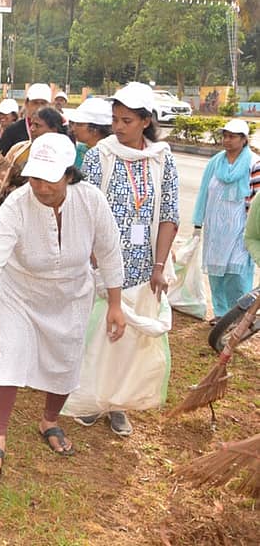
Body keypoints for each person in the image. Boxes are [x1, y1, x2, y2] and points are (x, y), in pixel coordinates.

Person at [0, 133, 126, 480]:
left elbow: (110, 252)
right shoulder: (17, 204)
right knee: (11, 357)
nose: (39, 186)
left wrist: (115, 304)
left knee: (66, 360)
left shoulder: (92, 201)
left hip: (71, 293)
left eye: (48, 178)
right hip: (19, 293)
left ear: (69, 174)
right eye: (34, 177)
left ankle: (49, 422)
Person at [76, 82, 180, 436]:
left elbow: (168, 214)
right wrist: (91, 256)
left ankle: (118, 404)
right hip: (100, 266)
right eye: (115, 119)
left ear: (146, 121)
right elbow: (84, 210)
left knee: (128, 341)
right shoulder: (99, 156)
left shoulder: (162, 159)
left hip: (141, 266)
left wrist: (160, 266)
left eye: (126, 121)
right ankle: (91, 398)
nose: (118, 127)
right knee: (96, 336)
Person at [193, 119, 260, 323]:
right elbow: (204, 191)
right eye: (225, 136)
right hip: (215, 229)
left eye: (232, 136)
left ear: (243, 139)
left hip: (241, 228)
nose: (227, 140)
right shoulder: (216, 162)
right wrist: (198, 223)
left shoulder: (254, 163)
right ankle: (221, 314)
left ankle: (239, 314)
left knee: (237, 272)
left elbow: (257, 198)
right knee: (216, 272)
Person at [0, 83, 52, 156]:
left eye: (43, 103)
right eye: (35, 103)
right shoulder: (12, 131)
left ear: (49, 105)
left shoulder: (55, 131)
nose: (39, 108)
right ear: (26, 103)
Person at [67, 97, 112, 168]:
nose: (73, 129)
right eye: (73, 124)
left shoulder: (109, 155)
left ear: (95, 129)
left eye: (79, 125)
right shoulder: (80, 149)